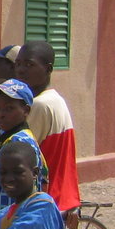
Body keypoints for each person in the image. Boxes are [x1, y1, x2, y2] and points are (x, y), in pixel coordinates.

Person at [15, 40, 80, 214]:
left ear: (48, 69)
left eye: (29, 65)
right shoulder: (56, 99)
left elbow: (20, 151)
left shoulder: (39, 105)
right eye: (18, 64)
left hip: (44, 197)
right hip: (63, 194)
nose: (21, 70)